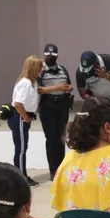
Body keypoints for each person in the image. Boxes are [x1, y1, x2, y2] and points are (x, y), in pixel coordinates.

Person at [38, 44, 74, 180]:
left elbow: (68, 83)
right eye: (48, 56)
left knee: (61, 138)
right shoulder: (40, 70)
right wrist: (57, 87)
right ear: (44, 55)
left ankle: (61, 168)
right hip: (48, 105)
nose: (50, 58)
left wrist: (68, 88)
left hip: (62, 105)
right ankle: (53, 170)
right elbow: (39, 89)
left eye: (53, 56)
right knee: (51, 139)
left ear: (57, 56)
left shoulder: (62, 69)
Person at [76, 51, 110, 146]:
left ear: (97, 64)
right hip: (97, 103)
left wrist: (106, 76)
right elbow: (83, 93)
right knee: (99, 131)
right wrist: (95, 101)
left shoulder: (108, 60)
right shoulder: (80, 72)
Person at [10, 55, 44, 188]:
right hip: (19, 118)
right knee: (21, 149)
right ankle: (20, 177)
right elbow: (18, 103)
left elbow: (39, 91)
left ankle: (21, 174)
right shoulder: (25, 83)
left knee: (23, 148)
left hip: (23, 118)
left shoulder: (32, 82)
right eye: (40, 68)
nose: (41, 71)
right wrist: (25, 117)